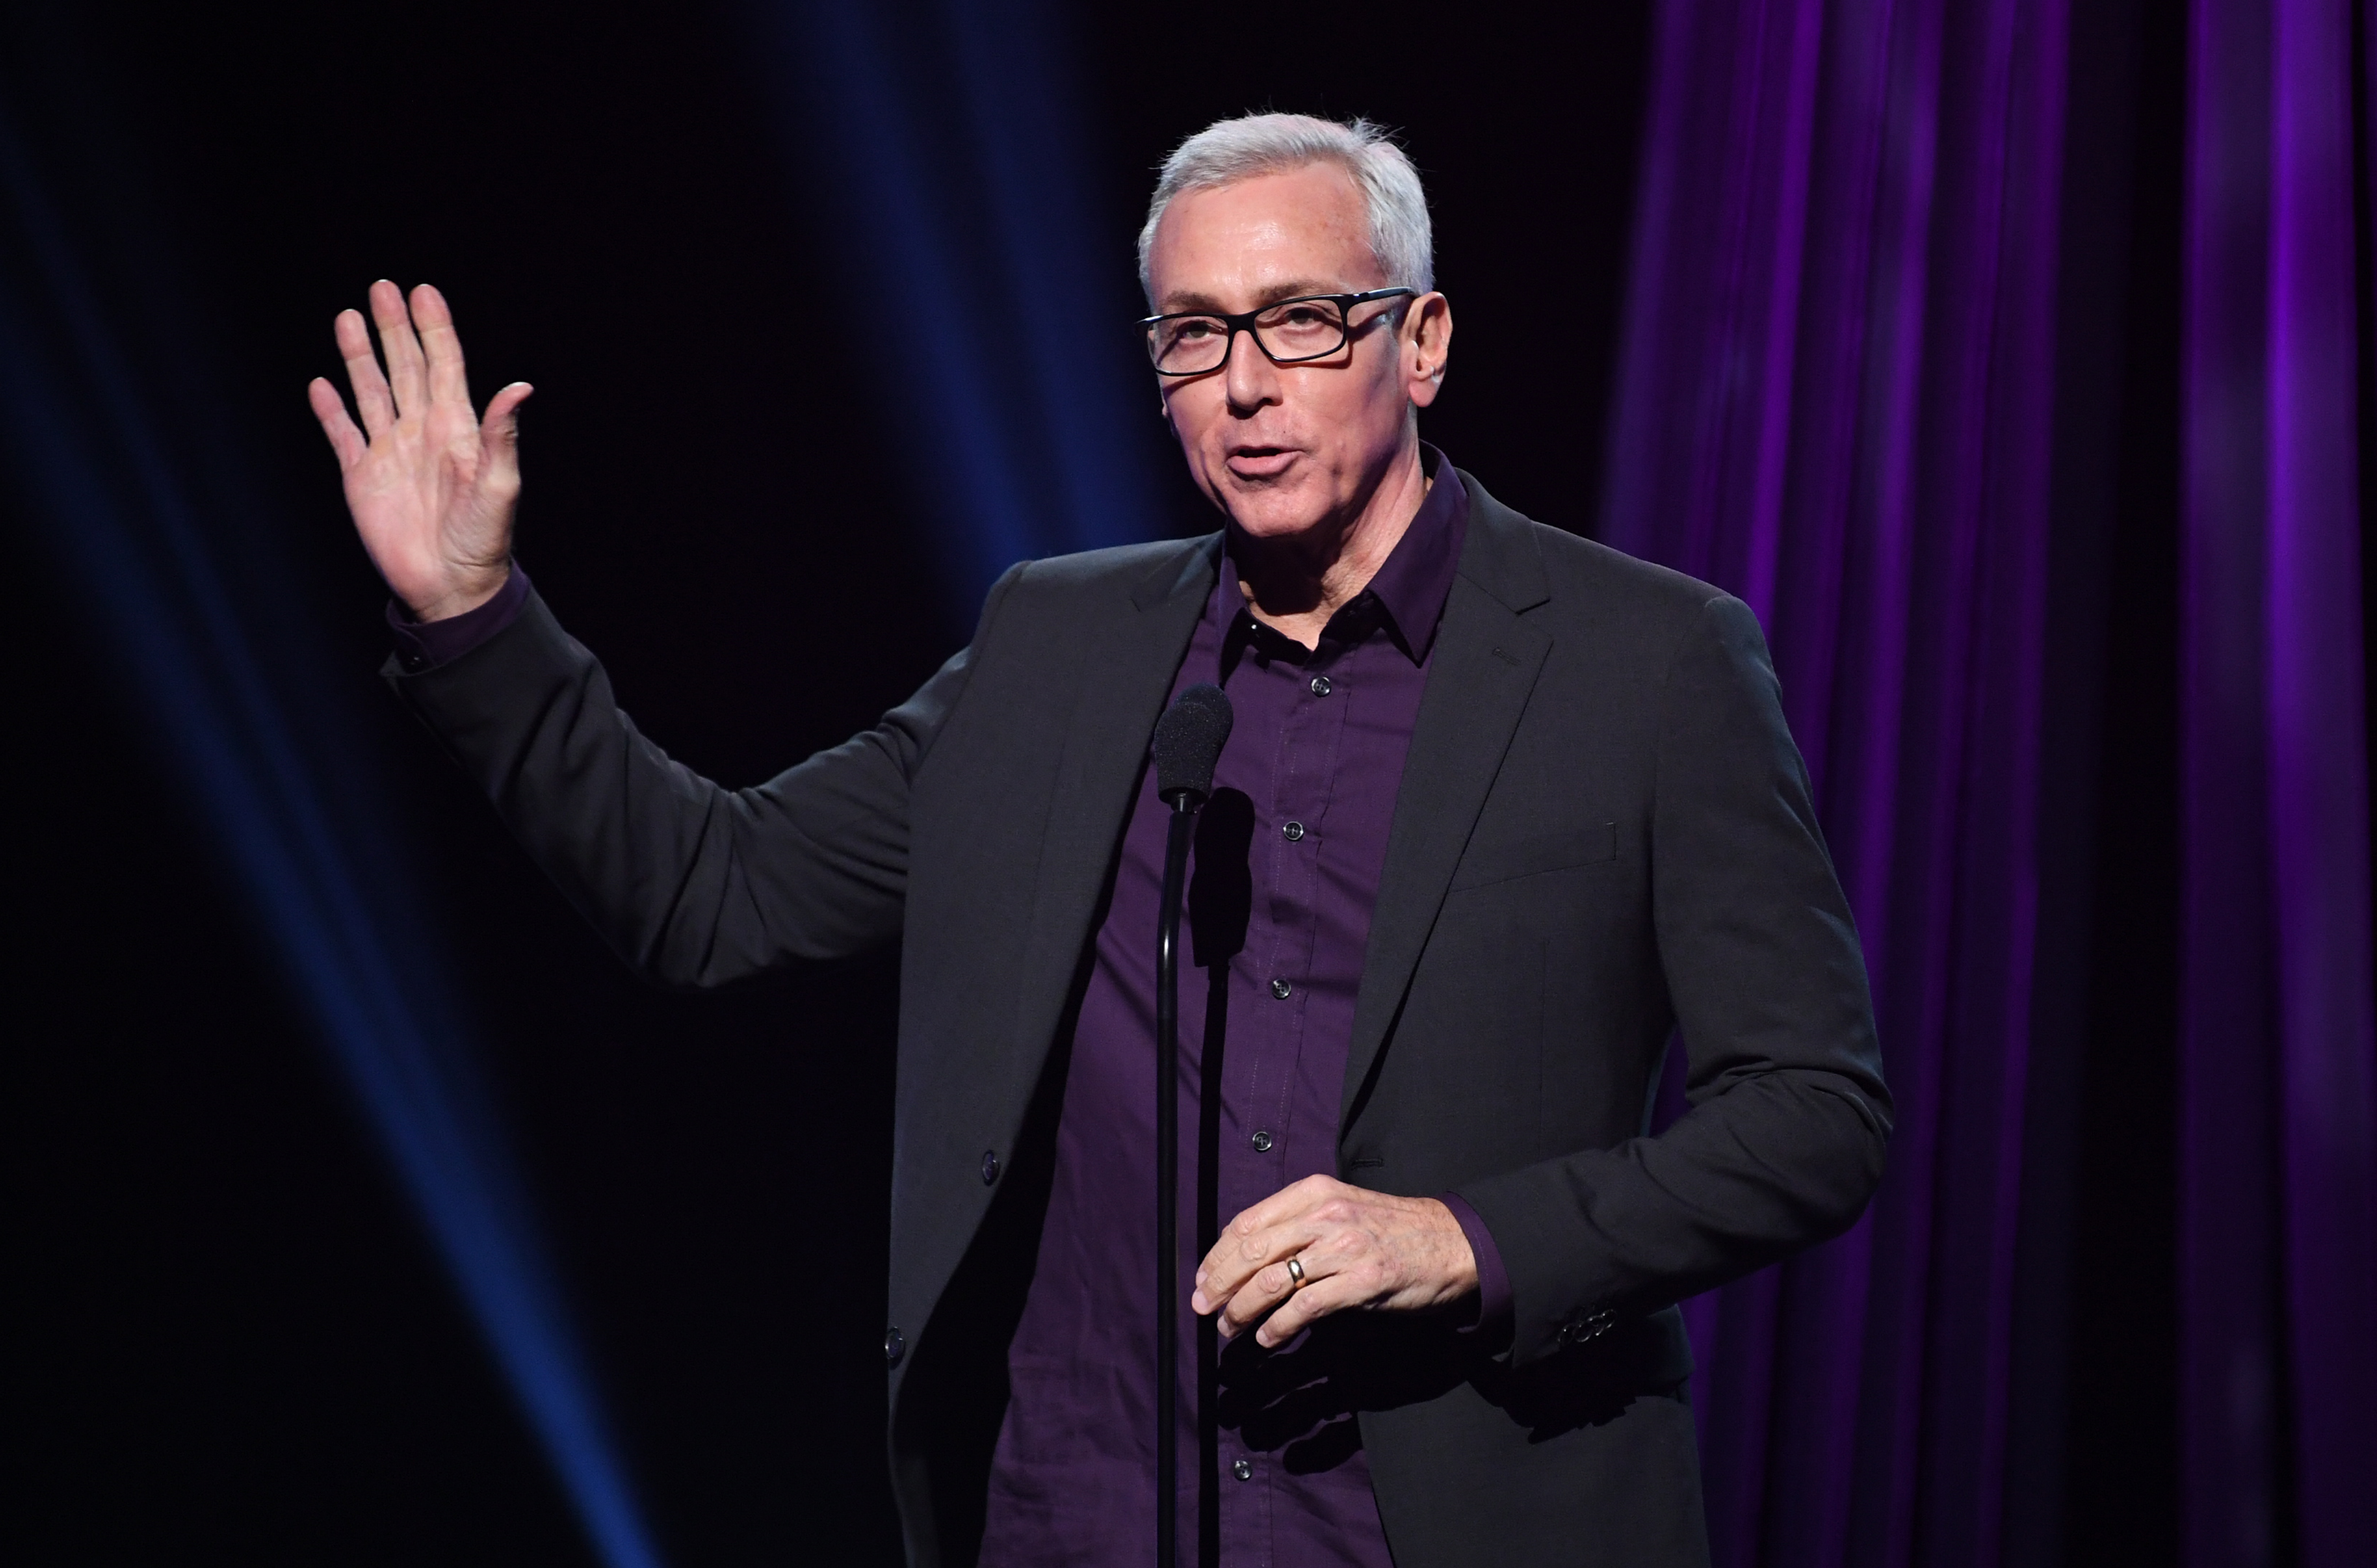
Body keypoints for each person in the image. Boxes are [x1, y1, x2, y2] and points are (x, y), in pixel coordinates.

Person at [310, 113, 1890, 1568]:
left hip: (1457, 1514)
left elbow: (1816, 1112)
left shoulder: (1648, 664)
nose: (1246, 383)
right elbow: (706, 896)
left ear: (1422, 341)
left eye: (1300, 321)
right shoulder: (1057, 653)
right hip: (1086, 1517)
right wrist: (472, 618)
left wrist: (1464, 1241)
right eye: (1194, 335)